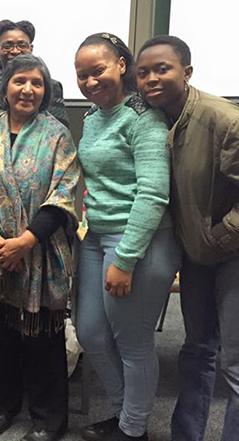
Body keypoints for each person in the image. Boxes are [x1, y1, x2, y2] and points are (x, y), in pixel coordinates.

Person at [136, 35, 239, 441]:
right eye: (143, 72)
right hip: (200, 254)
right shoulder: (155, 120)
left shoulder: (223, 120)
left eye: (162, 69)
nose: (151, 78)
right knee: (197, 351)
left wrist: (221, 237)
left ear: (187, 73)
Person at [0, 54, 79, 441]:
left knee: (43, 337)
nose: (28, 89)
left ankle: (48, 417)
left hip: (40, 253)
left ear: (45, 91)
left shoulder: (57, 134)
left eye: (37, 83)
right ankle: (3, 404)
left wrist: (24, 242)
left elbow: (63, 195)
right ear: (6, 87)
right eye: (20, 81)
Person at [73, 32, 182, 441]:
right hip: (96, 235)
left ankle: (133, 429)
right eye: (82, 75)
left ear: (121, 65)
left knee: (132, 343)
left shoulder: (143, 117)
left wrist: (125, 258)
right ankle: (122, 415)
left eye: (97, 70)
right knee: (91, 333)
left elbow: (153, 193)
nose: (89, 81)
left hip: (139, 240)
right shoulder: (91, 116)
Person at [0, 19, 70, 126]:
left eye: (22, 45)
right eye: (7, 46)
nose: (15, 51)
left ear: (31, 49)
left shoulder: (50, 87)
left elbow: (60, 133)